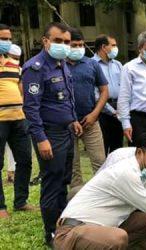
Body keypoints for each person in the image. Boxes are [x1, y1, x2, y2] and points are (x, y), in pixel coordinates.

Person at [53, 133, 146, 249]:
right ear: (139, 153)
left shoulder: (143, 174)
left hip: (98, 228)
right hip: (71, 233)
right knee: (118, 237)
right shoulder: (127, 172)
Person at [22, 22, 83, 245]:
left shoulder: (62, 64)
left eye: (66, 42)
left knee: (63, 181)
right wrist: (41, 138)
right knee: (52, 183)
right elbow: (30, 107)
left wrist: (73, 119)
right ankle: (51, 233)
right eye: (58, 41)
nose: (64, 46)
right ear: (45, 41)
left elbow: (66, 98)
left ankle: (62, 227)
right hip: (50, 134)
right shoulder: (35, 68)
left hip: (66, 131)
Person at [66, 28, 109, 188]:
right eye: (74, 45)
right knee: (73, 166)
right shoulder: (59, 65)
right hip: (67, 124)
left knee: (100, 162)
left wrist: (94, 114)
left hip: (91, 121)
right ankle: (76, 202)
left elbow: (105, 90)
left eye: (81, 45)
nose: (78, 48)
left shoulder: (91, 64)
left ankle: (102, 197)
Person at [0, 24, 34, 219]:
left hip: (19, 119)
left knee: (25, 161)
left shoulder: (15, 66)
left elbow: (22, 91)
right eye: (3, 38)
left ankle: (20, 201)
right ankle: (0, 207)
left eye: (8, 39)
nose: (6, 42)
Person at [93, 34, 124, 156]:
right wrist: (111, 111)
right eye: (113, 45)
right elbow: (95, 94)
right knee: (103, 148)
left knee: (118, 148)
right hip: (101, 111)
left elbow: (125, 88)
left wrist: (121, 109)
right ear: (104, 47)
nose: (116, 48)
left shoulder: (118, 64)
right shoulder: (91, 65)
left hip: (119, 109)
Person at [5, 43, 23, 183]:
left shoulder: (19, 70)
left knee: (14, 148)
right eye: (13, 57)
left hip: (17, 114)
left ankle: (12, 171)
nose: (15, 60)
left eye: (18, 58)